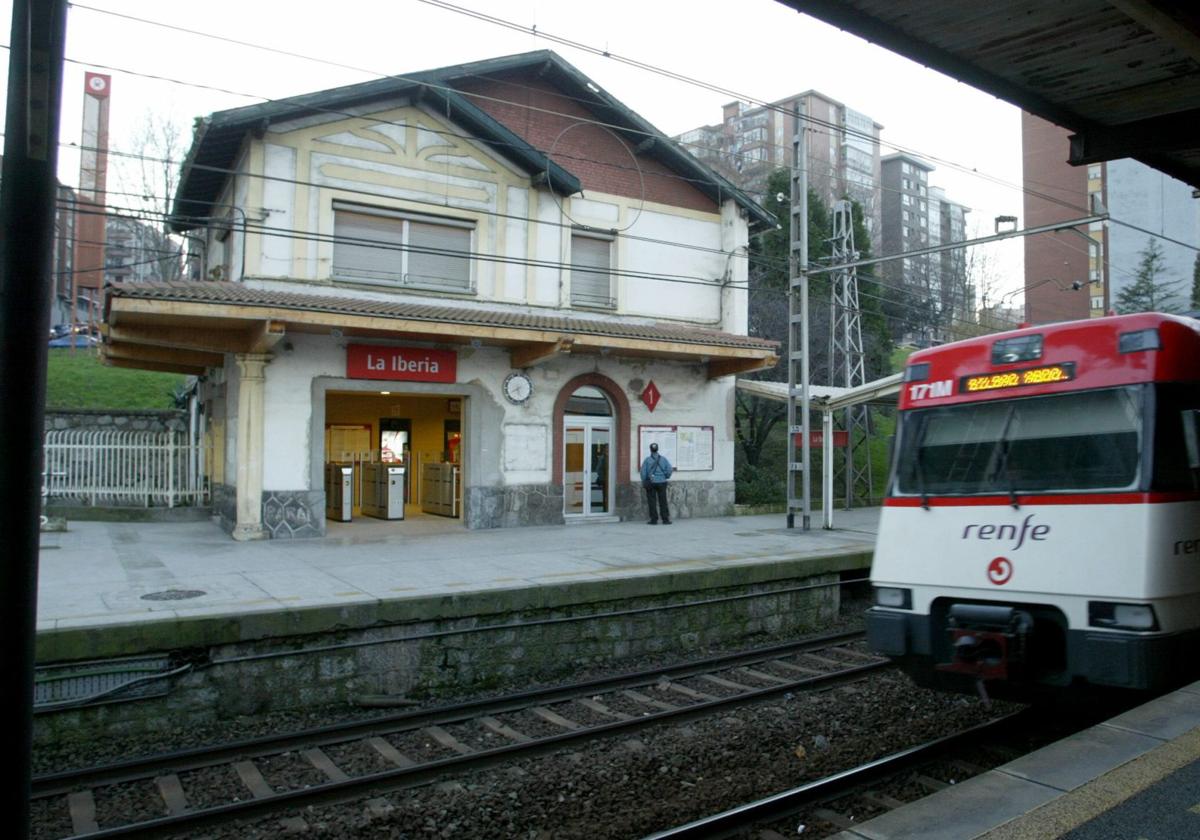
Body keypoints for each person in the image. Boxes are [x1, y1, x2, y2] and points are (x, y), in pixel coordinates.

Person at [639, 442, 673, 525]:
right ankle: (665, 519)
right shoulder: (663, 459)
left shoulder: (647, 460)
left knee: (652, 501)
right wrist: (666, 476)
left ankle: (654, 520)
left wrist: (644, 480)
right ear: (657, 449)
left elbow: (643, 472)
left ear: (650, 450)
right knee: (663, 501)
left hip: (651, 482)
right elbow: (669, 469)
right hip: (662, 482)